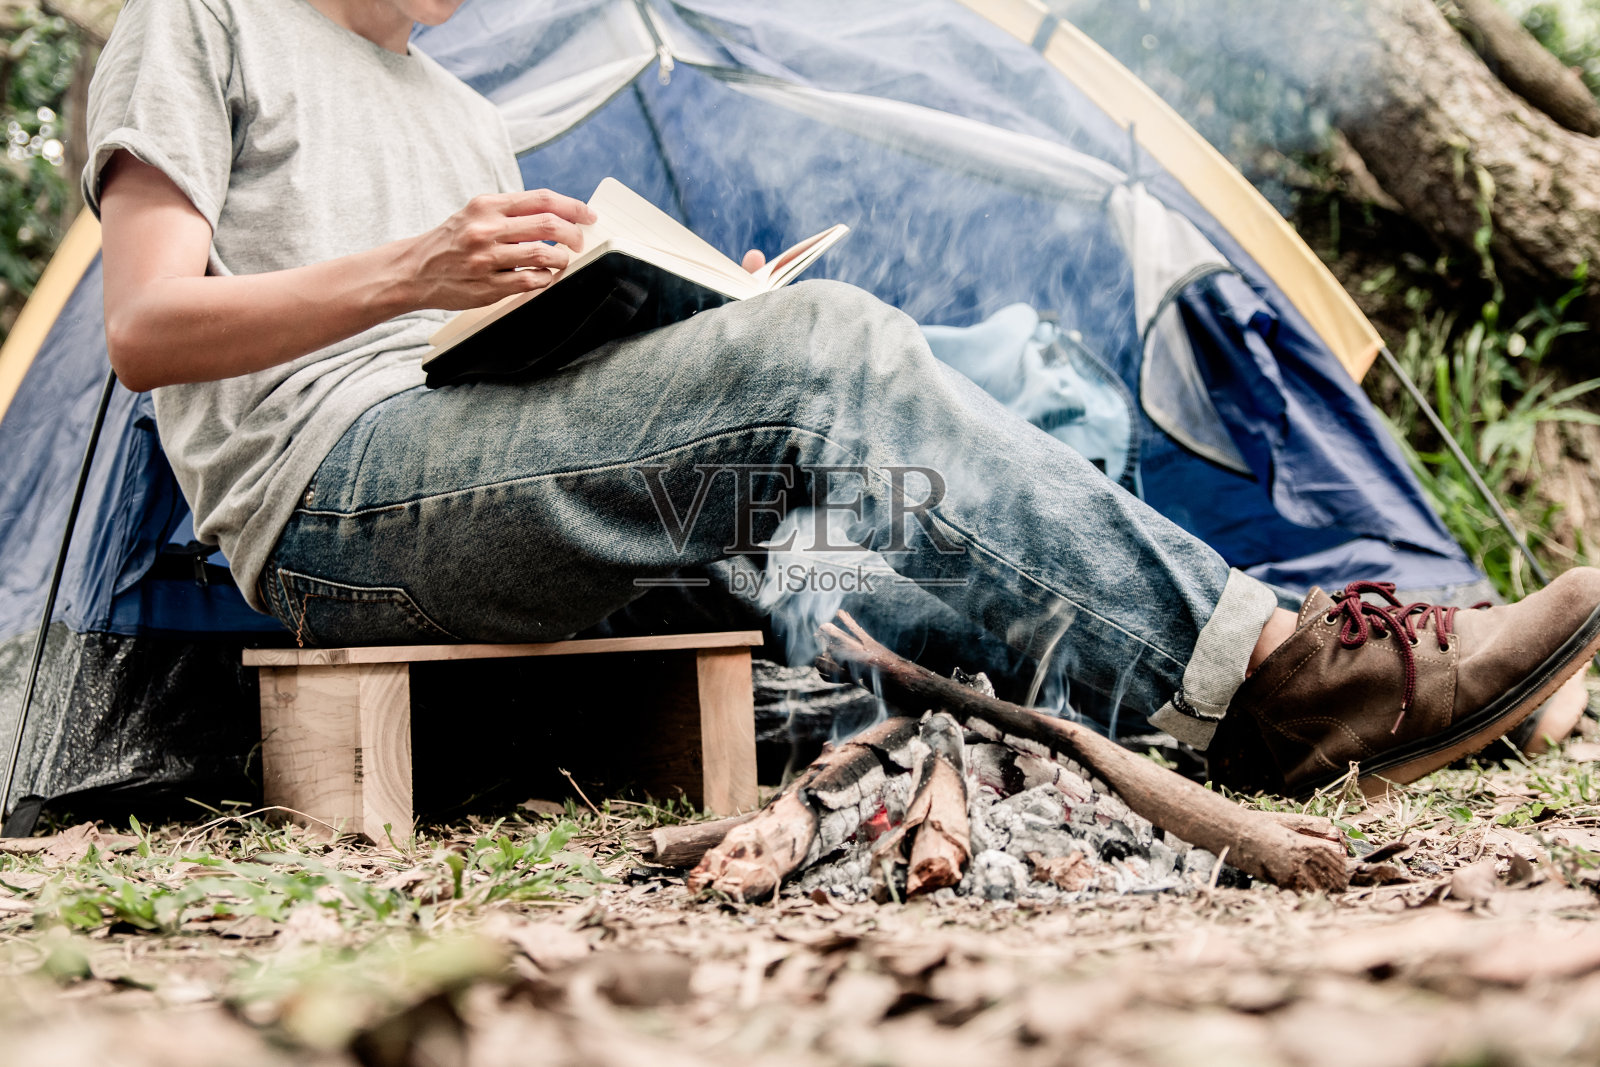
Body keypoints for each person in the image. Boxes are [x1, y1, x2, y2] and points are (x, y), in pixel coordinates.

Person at [85, 0, 1600, 798]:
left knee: (856, 420)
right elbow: (144, 332)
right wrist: (417, 267)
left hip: (464, 463)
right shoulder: (204, 18)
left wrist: (694, 314)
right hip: (331, 504)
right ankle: (1287, 681)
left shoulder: (461, 107)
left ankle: (1182, 706)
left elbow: (496, 355)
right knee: (823, 360)